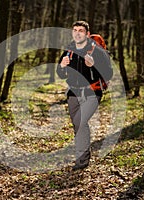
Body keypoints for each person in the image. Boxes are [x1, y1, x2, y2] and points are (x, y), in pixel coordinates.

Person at [56, 21, 113, 170]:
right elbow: (61, 74)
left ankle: (82, 161)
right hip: (73, 93)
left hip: (92, 92)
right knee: (77, 125)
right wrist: (61, 66)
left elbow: (109, 73)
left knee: (80, 122)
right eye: (75, 30)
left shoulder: (98, 52)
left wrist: (94, 64)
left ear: (87, 34)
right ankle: (83, 155)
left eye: (81, 30)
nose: (77, 33)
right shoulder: (69, 50)